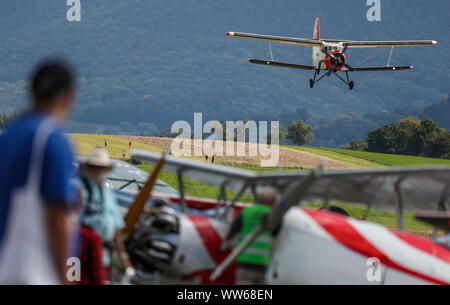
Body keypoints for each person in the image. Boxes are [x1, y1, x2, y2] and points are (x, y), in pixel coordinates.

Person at [0, 60, 78, 284]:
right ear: (68, 96)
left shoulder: (6, 137)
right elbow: (57, 216)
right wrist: (64, 276)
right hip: (32, 271)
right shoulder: (52, 139)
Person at [76, 148, 133, 281]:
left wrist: (123, 256)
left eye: (102, 167)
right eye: (95, 167)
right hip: (79, 253)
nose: (99, 171)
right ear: (89, 167)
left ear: (107, 169)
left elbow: (116, 226)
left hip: (102, 255)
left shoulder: (108, 192)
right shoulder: (78, 188)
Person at [222, 187, 277, 285]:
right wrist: (282, 204)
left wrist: (225, 243)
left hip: (245, 262)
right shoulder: (274, 215)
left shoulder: (246, 212)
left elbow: (232, 230)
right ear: (273, 201)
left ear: (259, 199)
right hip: (263, 264)